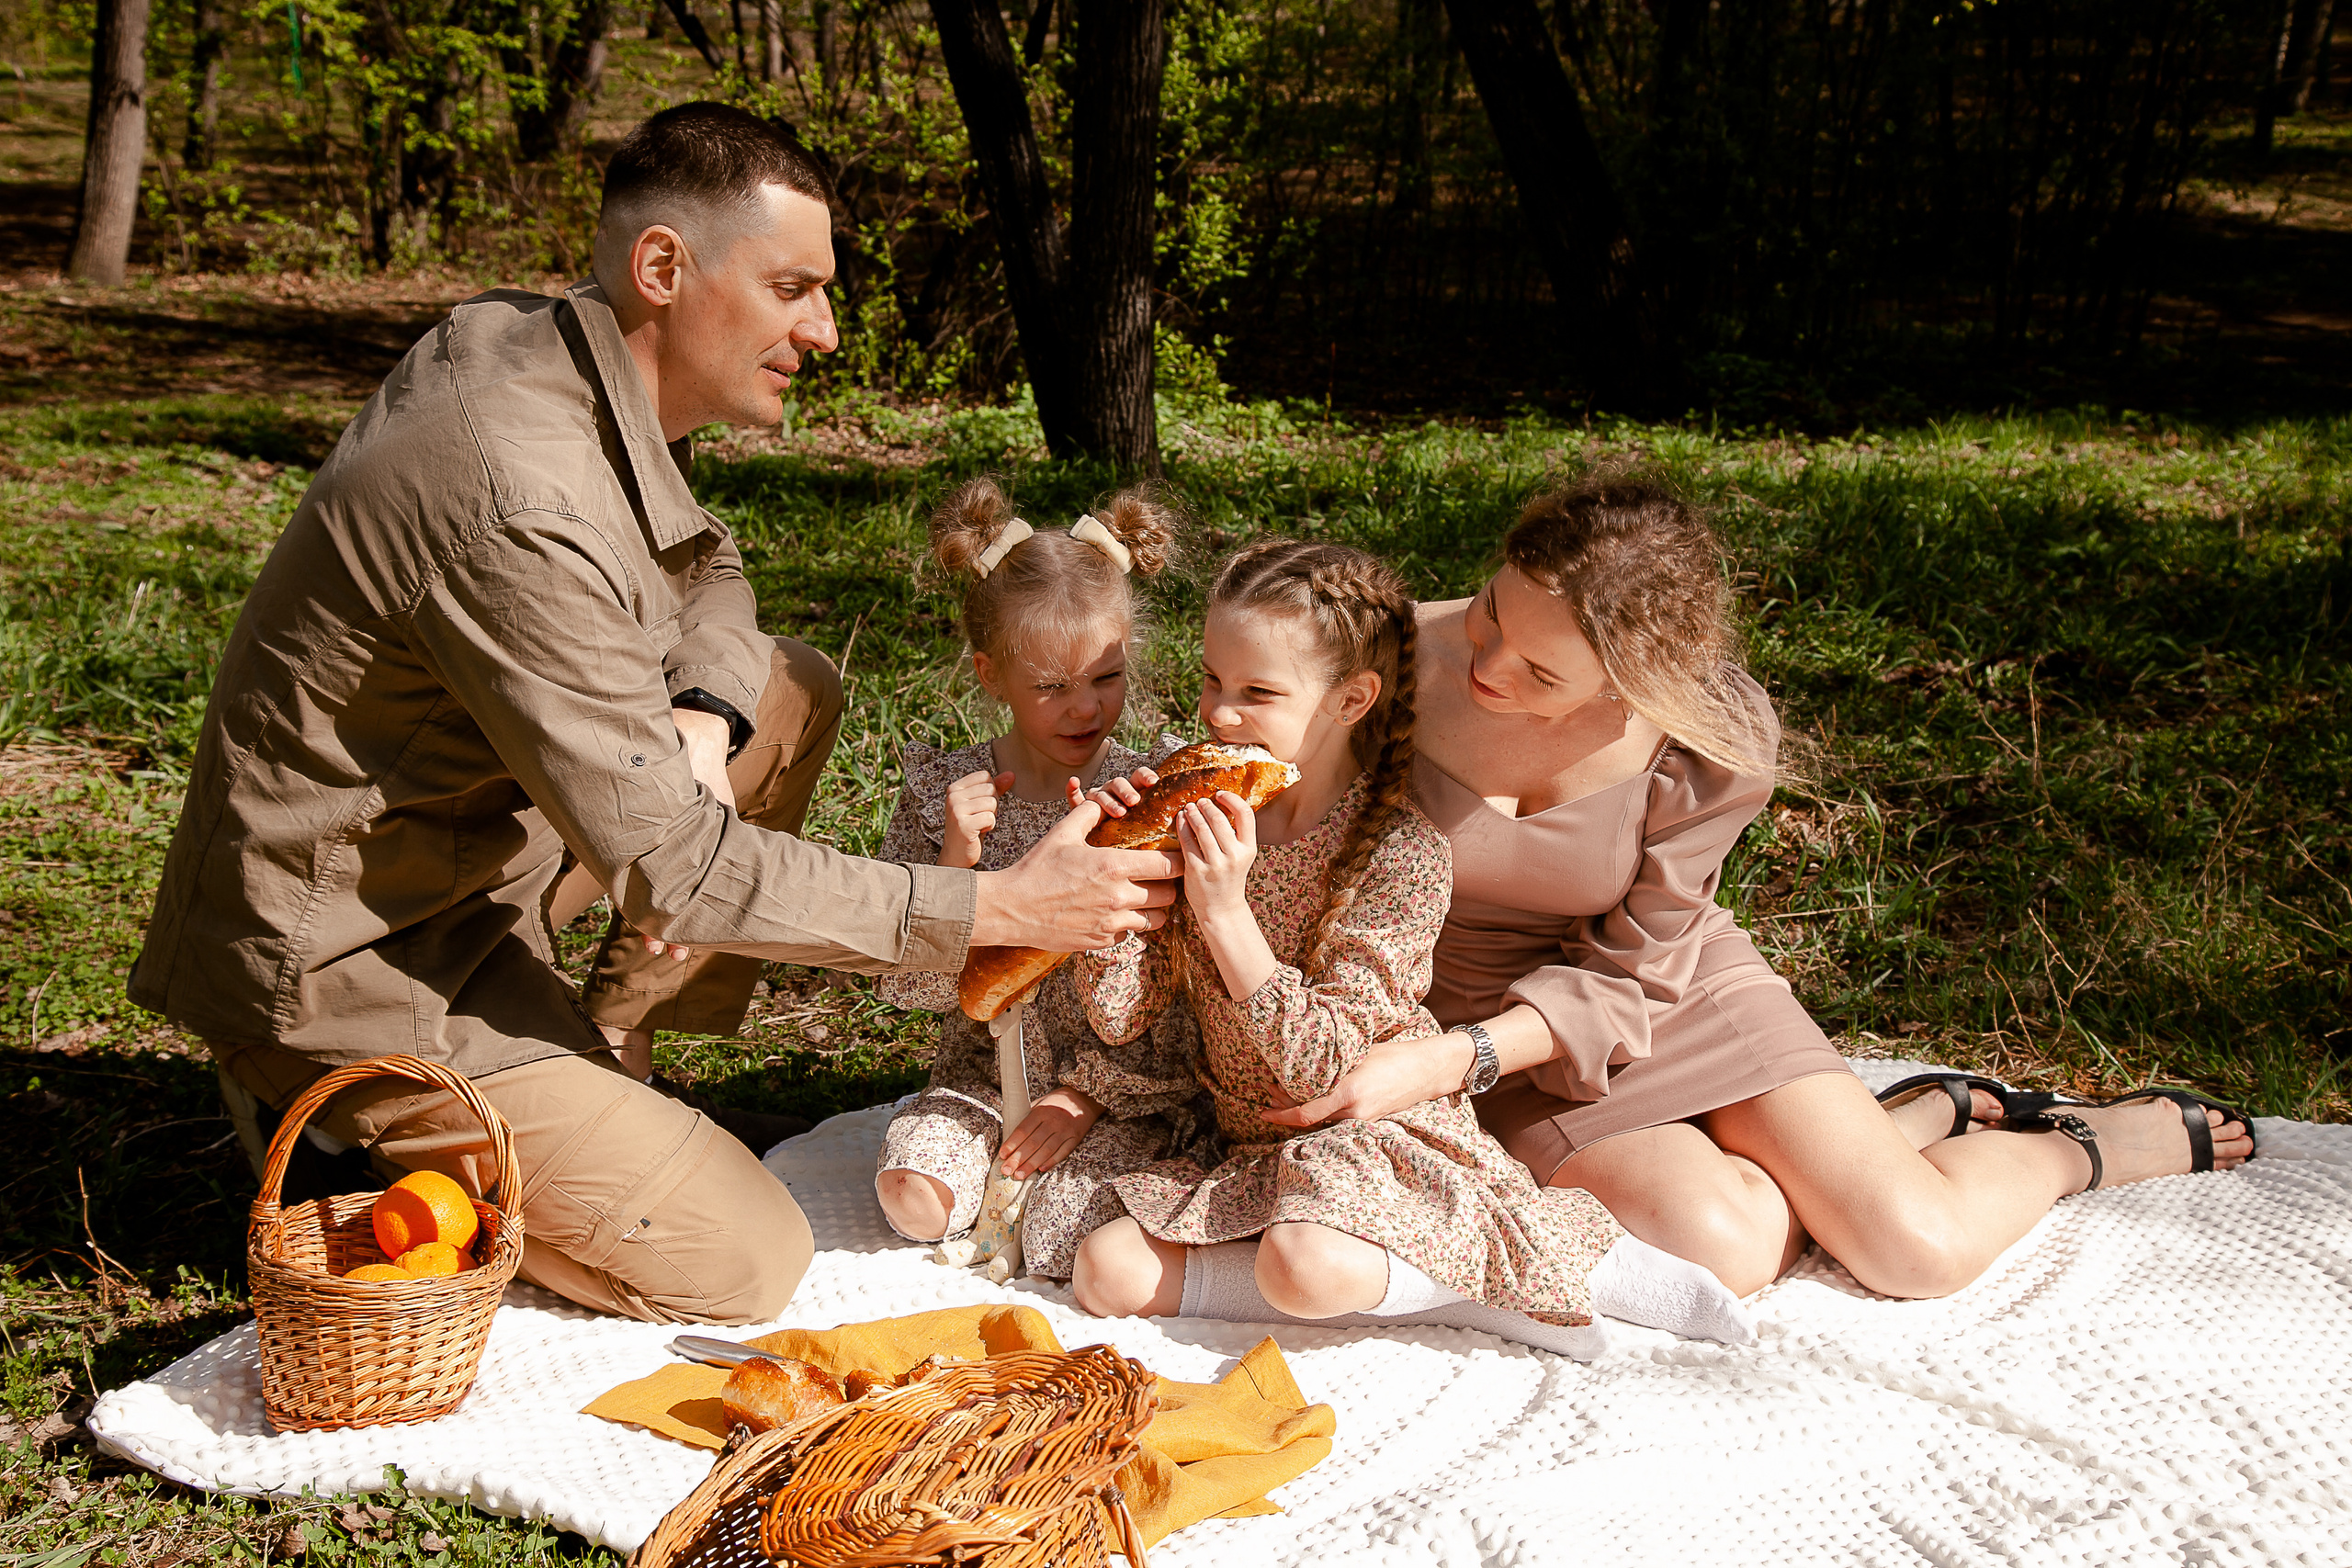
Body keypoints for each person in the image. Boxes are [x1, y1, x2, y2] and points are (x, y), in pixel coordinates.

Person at [130, 103, 1180, 1326]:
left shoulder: (543, 351)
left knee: (787, 684)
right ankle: (341, 1134)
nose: (825, 330)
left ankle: (609, 1045)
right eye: (793, 286)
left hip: (469, 873)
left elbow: (712, 575)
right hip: (350, 961)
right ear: (665, 268)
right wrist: (992, 907)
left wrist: (701, 715)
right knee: (738, 1255)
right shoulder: (519, 493)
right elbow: (680, 870)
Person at [1265, 472, 2256, 1301]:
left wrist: (1449, 1065)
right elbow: (1242, 780)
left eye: (1539, 670)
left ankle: (2083, 1145)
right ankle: (1910, 1120)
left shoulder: (1710, 738)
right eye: (1488, 612)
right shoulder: (1368, 664)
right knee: (1717, 1244)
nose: (1484, 662)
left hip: (1658, 988)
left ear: (1633, 686)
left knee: (1917, 1252)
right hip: (1466, 1008)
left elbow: (1638, 965)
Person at [1065, 540, 1630, 1351]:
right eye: (1211, 681)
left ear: (1350, 699)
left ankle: (1498, 1281)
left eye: (1257, 691)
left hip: (1368, 1139)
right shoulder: (1205, 818)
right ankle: (1450, 1283)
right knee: (1106, 1268)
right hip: (1247, 1141)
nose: (1219, 714)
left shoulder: (1401, 853)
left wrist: (1226, 914)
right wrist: (1111, 883)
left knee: (1303, 1260)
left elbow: (1325, 1068)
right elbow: (1122, 1015)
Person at [869, 479, 1212, 1280]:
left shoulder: (1151, 792)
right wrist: (954, 865)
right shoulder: (943, 793)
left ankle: (1113, 1173)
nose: (1084, 708)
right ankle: (990, 1170)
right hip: (981, 1077)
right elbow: (905, 990)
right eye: (1051, 687)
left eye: (1106, 677)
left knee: (1065, 1239)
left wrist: (1084, 1096)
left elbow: (1179, 991)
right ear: (992, 676)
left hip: (1123, 1088)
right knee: (911, 1196)